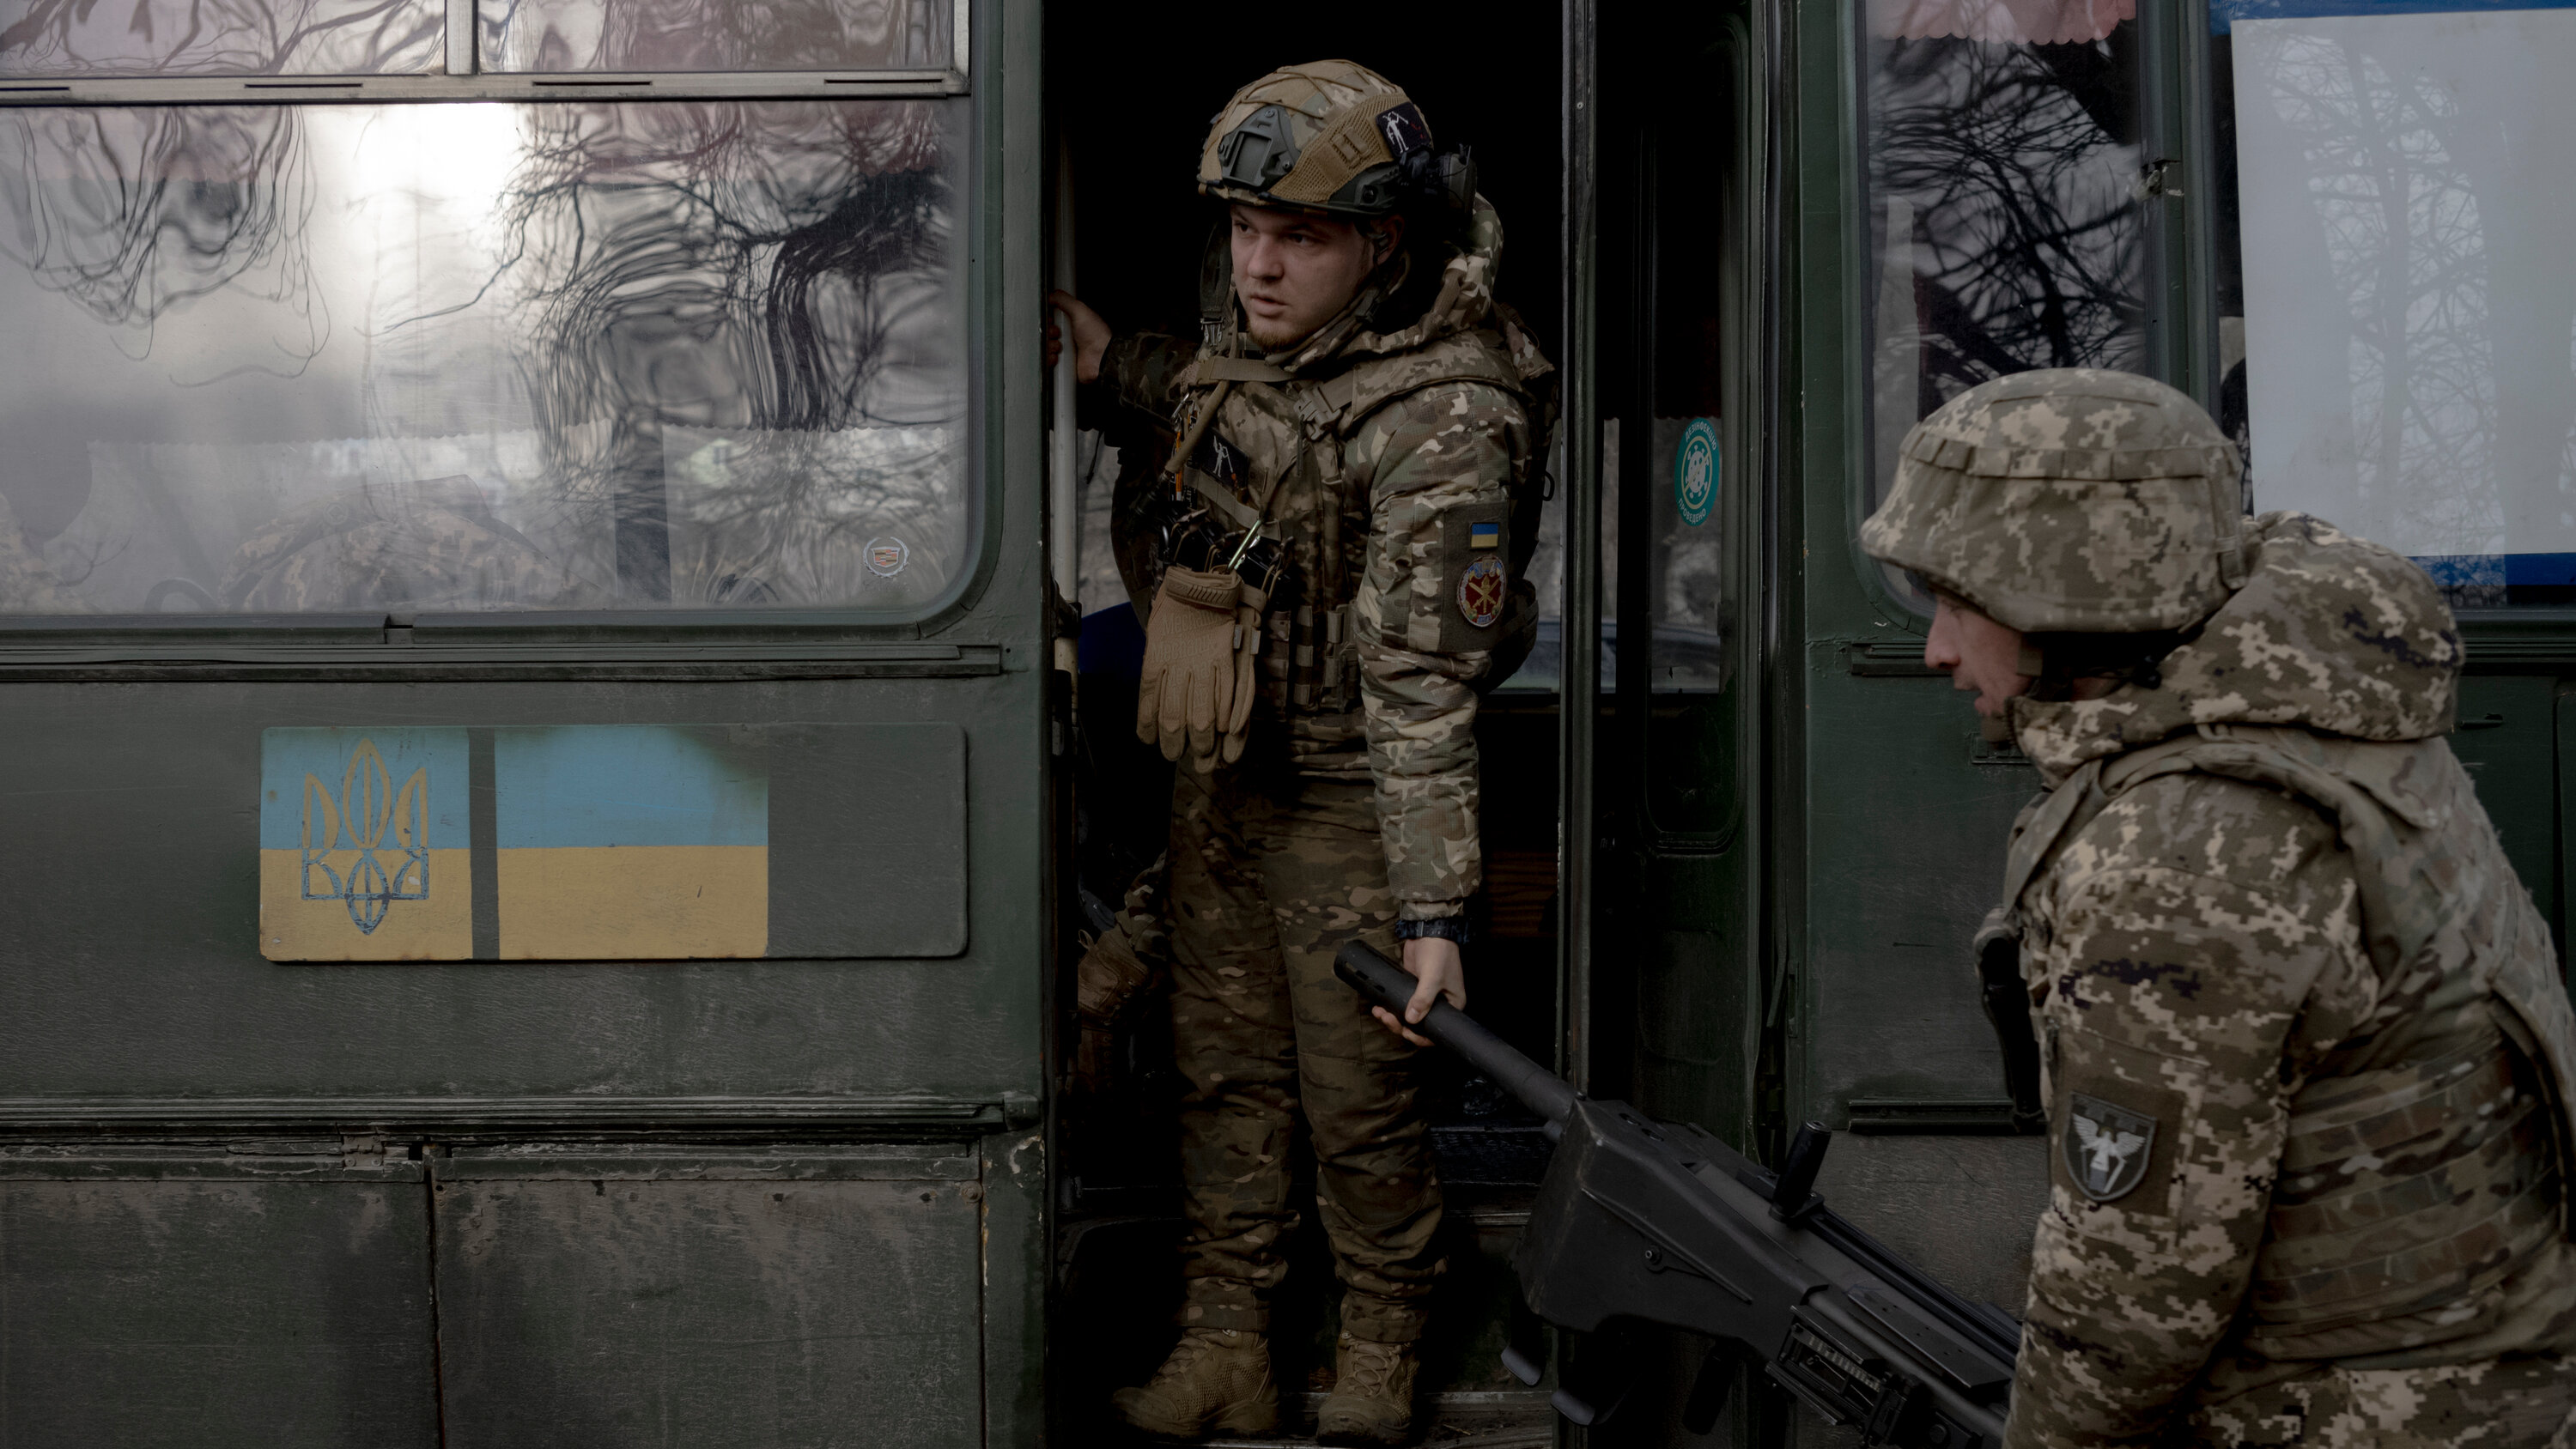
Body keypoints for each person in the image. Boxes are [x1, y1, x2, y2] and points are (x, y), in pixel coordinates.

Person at [1861, 367, 2576, 1446]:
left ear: (2057, 597)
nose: (1938, 649)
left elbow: (2132, 1301)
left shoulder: (2181, 853)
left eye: (1958, 601)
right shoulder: (2325, 723)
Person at [1046, 59, 1551, 1445]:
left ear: (1382, 245)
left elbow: (1422, 685)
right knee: (1226, 1089)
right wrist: (1108, 357)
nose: (1259, 267)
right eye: (1244, 230)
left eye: (1299, 238)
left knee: (1359, 1108)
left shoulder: (1450, 411)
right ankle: (1230, 1348)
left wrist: (1435, 911)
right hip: (1225, 789)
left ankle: (1380, 1358)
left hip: (1353, 813)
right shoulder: (1279, 345)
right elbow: (1236, 401)